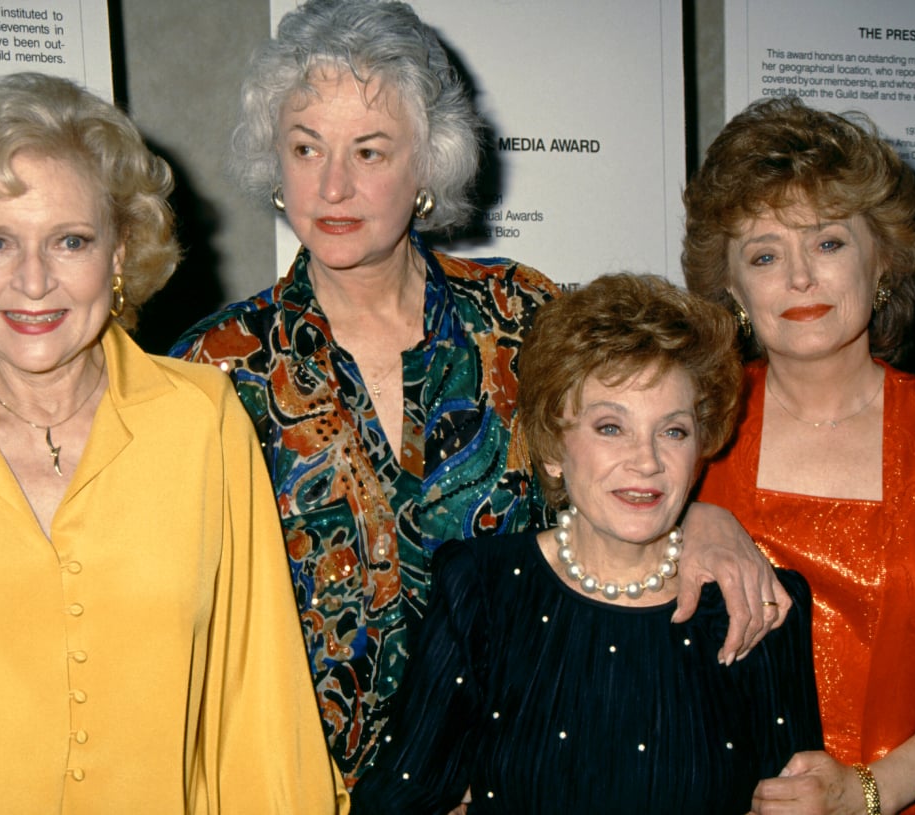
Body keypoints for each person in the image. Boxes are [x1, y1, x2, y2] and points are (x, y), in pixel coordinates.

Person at [172, 0, 787, 788]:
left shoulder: (524, 317)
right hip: (301, 785)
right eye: (305, 147)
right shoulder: (214, 366)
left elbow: (643, 436)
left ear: (427, 166)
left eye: (369, 151)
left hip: (528, 773)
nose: (332, 184)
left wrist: (705, 514)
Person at [0, 72, 344, 813]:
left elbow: (259, 705)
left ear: (118, 253)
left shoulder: (203, 421)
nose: (33, 280)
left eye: (70, 240)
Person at [349, 273, 824, 813]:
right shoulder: (482, 588)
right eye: (609, 427)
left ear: (700, 450)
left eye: (673, 431)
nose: (646, 461)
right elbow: (395, 800)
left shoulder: (760, 605)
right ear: (553, 447)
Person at [682, 96, 915, 815]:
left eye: (829, 242)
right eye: (765, 254)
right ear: (734, 287)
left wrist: (863, 793)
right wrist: (691, 518)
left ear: (884, 262)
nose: (800, 277)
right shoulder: (687, 431)